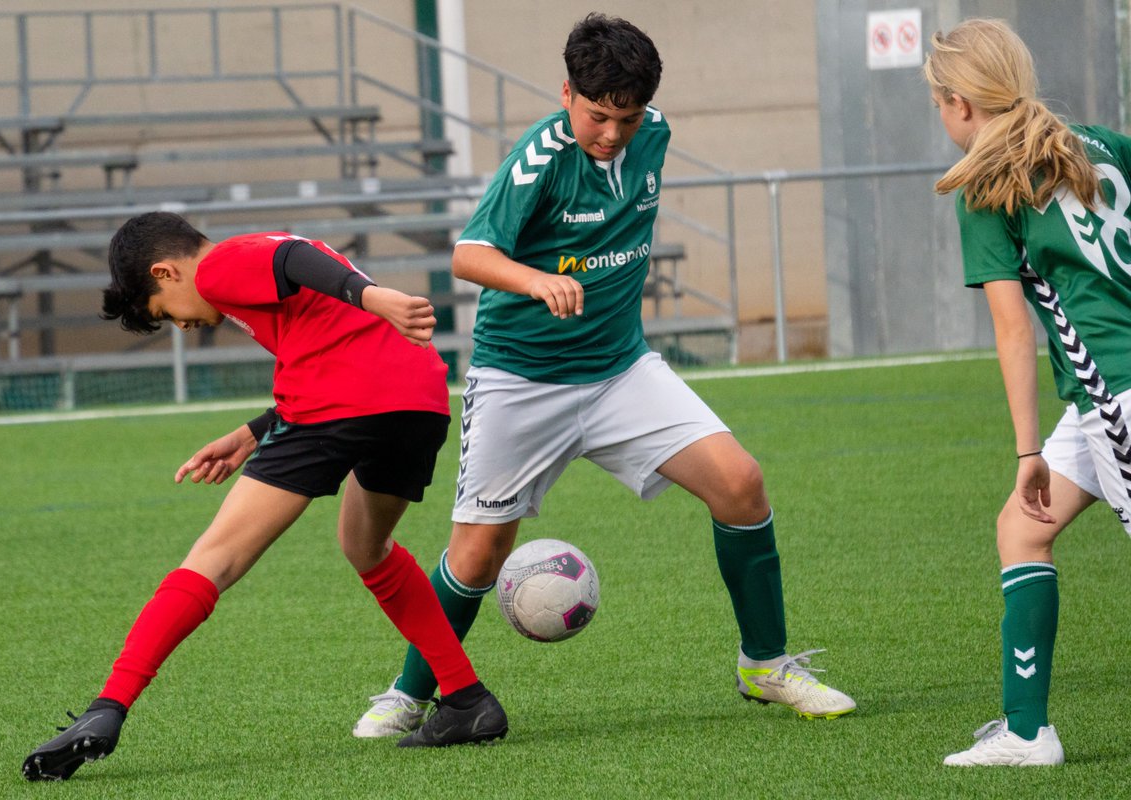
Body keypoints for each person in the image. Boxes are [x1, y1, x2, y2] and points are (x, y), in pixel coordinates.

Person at [352, 13, 855, 742]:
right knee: (477, 553)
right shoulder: (540, 157)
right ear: (566, 93)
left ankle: (765, 664)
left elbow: (635, 128)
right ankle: (409, 692)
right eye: (597, 115)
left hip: (621, 370)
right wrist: (534, 280)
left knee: (741, 484)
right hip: (521, 379)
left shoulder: (655, 132)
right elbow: (469, 254)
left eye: (628, 116)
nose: (613, 133)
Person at [21, 212, 508, 781]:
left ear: (167, 271)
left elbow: (291, 261)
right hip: (417, 402)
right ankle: (466, 699)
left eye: (163, 312)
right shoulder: (251, 266)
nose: (181, 325)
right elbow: (329, 338)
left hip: (343, 404)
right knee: (365, 545)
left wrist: (374, 296)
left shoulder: (219, 266)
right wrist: (251, 434)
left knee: (213, 559)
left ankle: (108, 707)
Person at [926, 18, 1131, 767]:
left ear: (958, 103)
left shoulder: (986, 183)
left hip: (1118, 393)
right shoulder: (1103, 142)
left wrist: (1024, 450)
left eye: (938, 104)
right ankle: (1025, 731)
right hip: (1101, 396)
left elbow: (1013, 331)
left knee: (1026, 500)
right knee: (1023, 528)